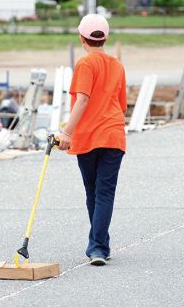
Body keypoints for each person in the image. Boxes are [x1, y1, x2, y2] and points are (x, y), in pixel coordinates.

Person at [56, 13, 127, 266]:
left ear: (81, 38)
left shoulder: (85, 64)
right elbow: (122, 105)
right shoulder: (117, 65)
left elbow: (82, 100)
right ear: (105, 38)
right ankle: (100, 245)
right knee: (105, 193)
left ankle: (97, 247)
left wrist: (66, 132)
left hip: (88, 137)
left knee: (93, 191)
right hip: (114, 134)